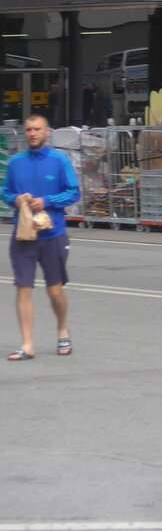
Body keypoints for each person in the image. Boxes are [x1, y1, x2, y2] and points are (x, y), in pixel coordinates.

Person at [2, 114, 81, 361]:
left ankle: (62, 328)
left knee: (54, 291)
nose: (32, 134)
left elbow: (73, 192)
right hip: (23, 235)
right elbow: (5, 191)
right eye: (28, 130)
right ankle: (27, 344)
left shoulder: (59, 161)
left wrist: (46, 201)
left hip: (52, 234)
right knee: (23, 288)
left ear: (48, 132)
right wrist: (14, 199)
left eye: (37, 129)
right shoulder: (16, 162)